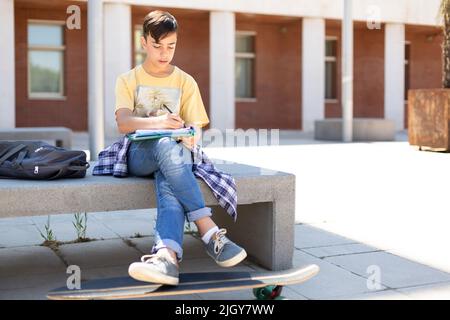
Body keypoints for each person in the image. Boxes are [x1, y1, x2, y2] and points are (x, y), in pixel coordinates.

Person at [113, 10, 247, 285]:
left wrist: (192, 136)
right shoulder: (128, 79)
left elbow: (197, 125)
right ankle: (208, 230)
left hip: (175, 158)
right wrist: (160, 121)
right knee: (165, 146)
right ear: (143, 43)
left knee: (169, 178)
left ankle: (167, 257)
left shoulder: (185, 81)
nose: (164, 52)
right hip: (139, 155)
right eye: (157, 45)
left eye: (171, 46)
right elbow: (124, 123)